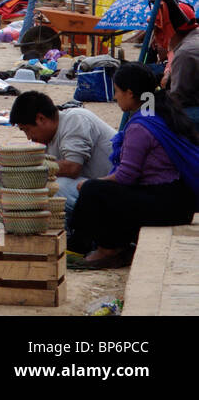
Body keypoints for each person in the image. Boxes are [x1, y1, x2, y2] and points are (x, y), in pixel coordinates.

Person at [68, 63, 199, 268]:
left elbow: (125, 176)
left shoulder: (141, 125)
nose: (114, 97)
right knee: (103, 189)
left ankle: (107, 249)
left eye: (117, 91)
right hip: (179, 200)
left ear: (129, 93)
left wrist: (92, 184)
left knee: (93, 190)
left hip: (168, 203)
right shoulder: (159, 112)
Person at [0, 90, 116, 225]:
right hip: (92, 190)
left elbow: (73, 168)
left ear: (41, 119)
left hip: (112, 192)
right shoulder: (47, 142)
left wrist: (26, 168)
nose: (29, 137)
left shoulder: (75, 120)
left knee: (56, 189)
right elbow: (30, 184)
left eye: (27, 130)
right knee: (37, 185)